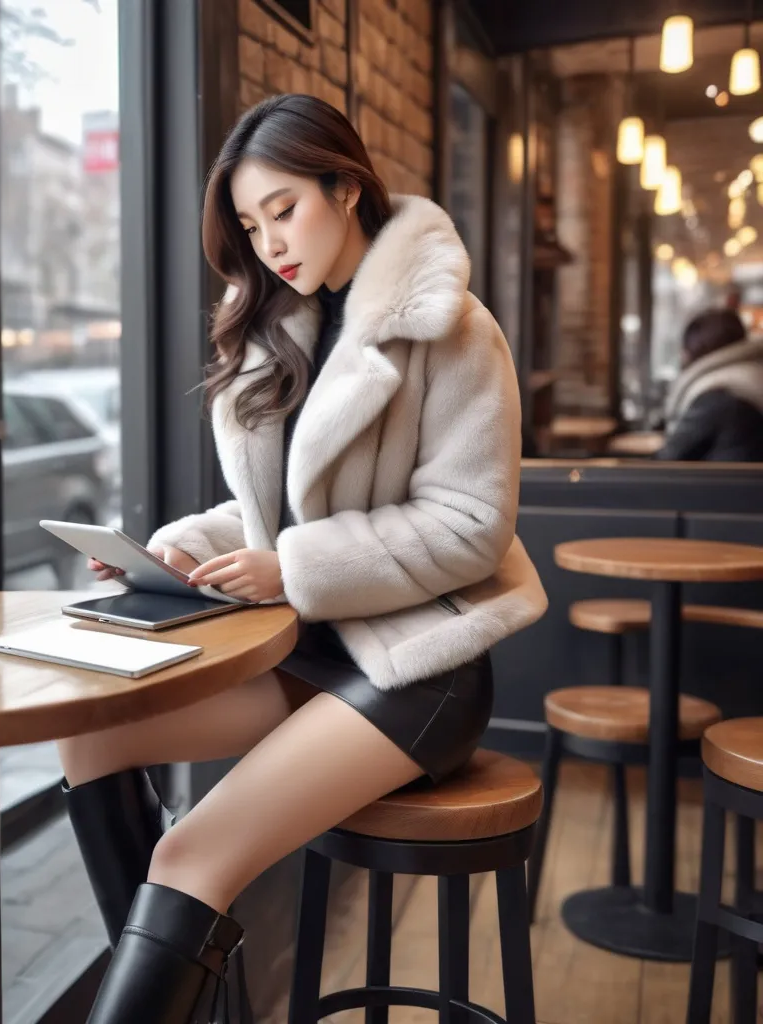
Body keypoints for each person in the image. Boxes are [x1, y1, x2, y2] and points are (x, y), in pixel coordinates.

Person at [57, 94, 548, 1022]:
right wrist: (182, 547)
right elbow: (274, 514)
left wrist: (294, 570)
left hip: (420, 666)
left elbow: (472, 523)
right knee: (88, 735)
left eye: (285, 208)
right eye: (251, 222)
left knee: (188, 856)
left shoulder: (453, 327)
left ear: (346, 186)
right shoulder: (284, 330)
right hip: (311, 653)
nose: (270, 240)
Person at [656, 308, 763, 462]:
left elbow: (669, 459)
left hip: (728, 485)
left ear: (693, 349)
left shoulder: (719, 394)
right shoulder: (749, 377)